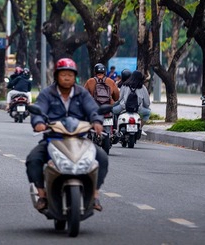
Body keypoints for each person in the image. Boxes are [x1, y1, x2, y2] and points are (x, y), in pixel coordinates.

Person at [26, 57, 108, 212]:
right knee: (33, 159)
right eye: (63, 74)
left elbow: (92, 109)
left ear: (74, 76)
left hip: (79, 140)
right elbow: (39, 109)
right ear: (57, 76)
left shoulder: (82, 93)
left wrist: (97, 121)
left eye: (70, 75)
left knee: (102, 158)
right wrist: (38, 123)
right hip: (53, 139)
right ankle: (42, 195)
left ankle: (95, 195)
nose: (66, 78)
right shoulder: (47, 94)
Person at [111, 70, 151, 134]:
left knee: (112, 111)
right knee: (148, 113)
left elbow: (119, 98)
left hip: (123, 107)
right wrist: (145, 107)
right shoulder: (142, 87)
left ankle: (115, 129)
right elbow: (147, 102)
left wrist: (113, 105)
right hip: (138, 109)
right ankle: (140, 128)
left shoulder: (125, 85)